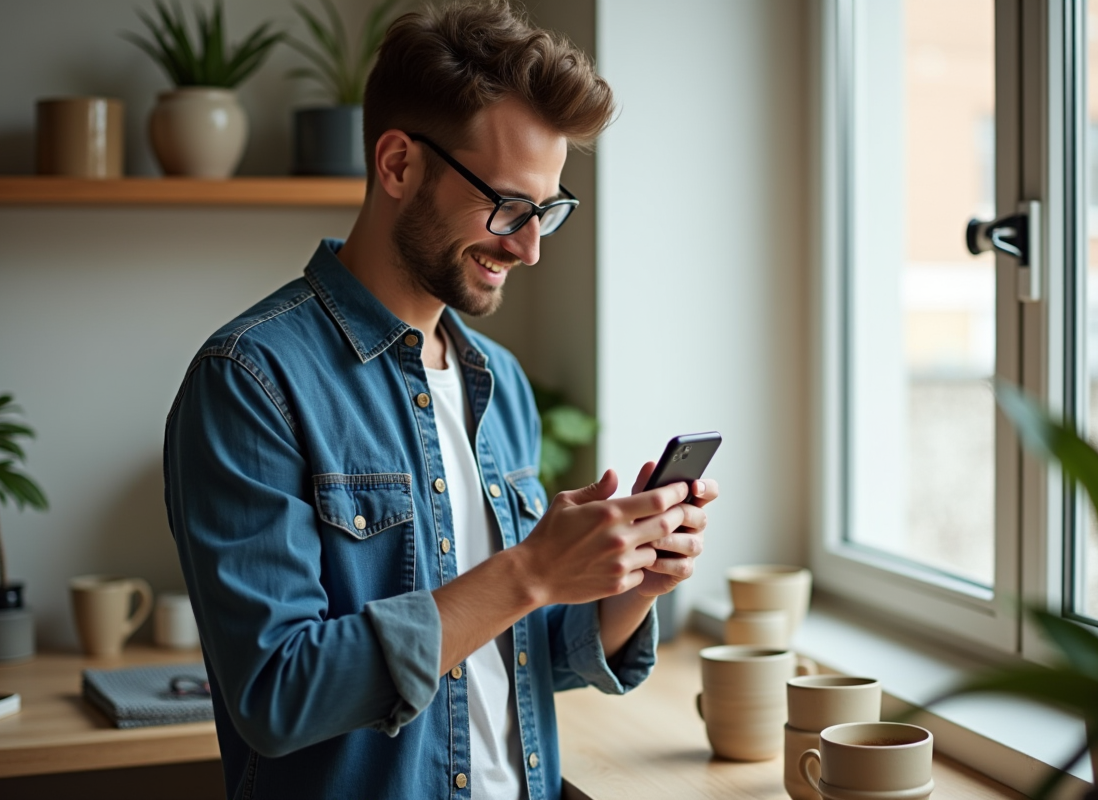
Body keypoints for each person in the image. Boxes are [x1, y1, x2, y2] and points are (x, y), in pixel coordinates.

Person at [163, 3, 719, 799]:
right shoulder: (252, 381)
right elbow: (278, 694)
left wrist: (629, 583)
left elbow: (509, 653)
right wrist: (531, 570)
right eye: (509, 206)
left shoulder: (501, 383)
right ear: (398, 165)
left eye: (546, 212)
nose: (529, 247)